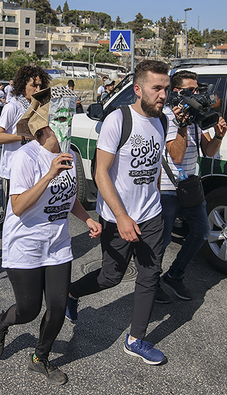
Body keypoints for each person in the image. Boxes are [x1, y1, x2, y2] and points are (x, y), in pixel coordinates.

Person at [0, 86, 101, 385]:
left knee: (58, 307)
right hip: (25, 243)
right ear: (42, 128)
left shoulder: (66, 155)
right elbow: (19, 206)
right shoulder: (26, 158)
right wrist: (49, 173)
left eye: (67, 123)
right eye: (59, 125)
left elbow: (68, 196)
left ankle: (40, 357)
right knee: (28, 310)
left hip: (57, 244)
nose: (65, 130)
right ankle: (2, 322)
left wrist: (87, 219)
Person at [65, 60, 170, 365]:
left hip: (151, 216)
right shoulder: (117, 120)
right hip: (116, 216)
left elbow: (155, 168)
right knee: (111, 277)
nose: (163, 94)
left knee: (150, 275)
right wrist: (122, 216)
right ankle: (73, 292)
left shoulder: (161, 121)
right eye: (157, 88)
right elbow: (100, 173)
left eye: (166, 88)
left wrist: (157, 201)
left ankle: (136, 339)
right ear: (138, 89)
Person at [156, 70, 227, 302]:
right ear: (177, 92)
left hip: (189, 186)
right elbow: (176, 156)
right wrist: (181, 124)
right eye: (192, 90)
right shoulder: (167, 117)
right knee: (163, 239)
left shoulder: (195, 118)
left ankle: (174, 275)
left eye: (197, 89)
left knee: (201, 231)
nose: (197, 93)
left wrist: (218, 136)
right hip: (167, 188)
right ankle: (151, 281)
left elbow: (208, 151)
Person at [0, 66, 50, 257]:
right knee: (11, 213)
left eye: (40, 85)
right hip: (12, 171)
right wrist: (23, 138)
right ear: (22, 85)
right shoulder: (12, 107)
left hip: (35, 169)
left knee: (30, 211)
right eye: (34, 85)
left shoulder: (40, 108)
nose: (37, 88)